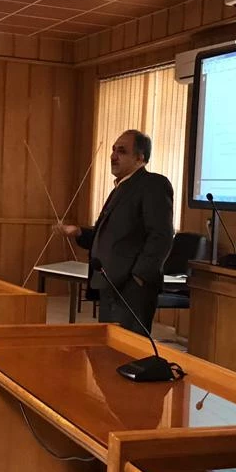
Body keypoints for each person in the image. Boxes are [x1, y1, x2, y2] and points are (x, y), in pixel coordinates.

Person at [57, 130, 174, 335]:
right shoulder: (120, 187)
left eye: (122, 151)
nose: (113, 156)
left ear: (140, 158)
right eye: (113, 150)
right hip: (109, 283)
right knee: (110, 344)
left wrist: (139, 276)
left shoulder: (153, 184)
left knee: (129, 345)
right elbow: (111, 236)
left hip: (132, 287)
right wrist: (78, 232)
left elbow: (161, 235)